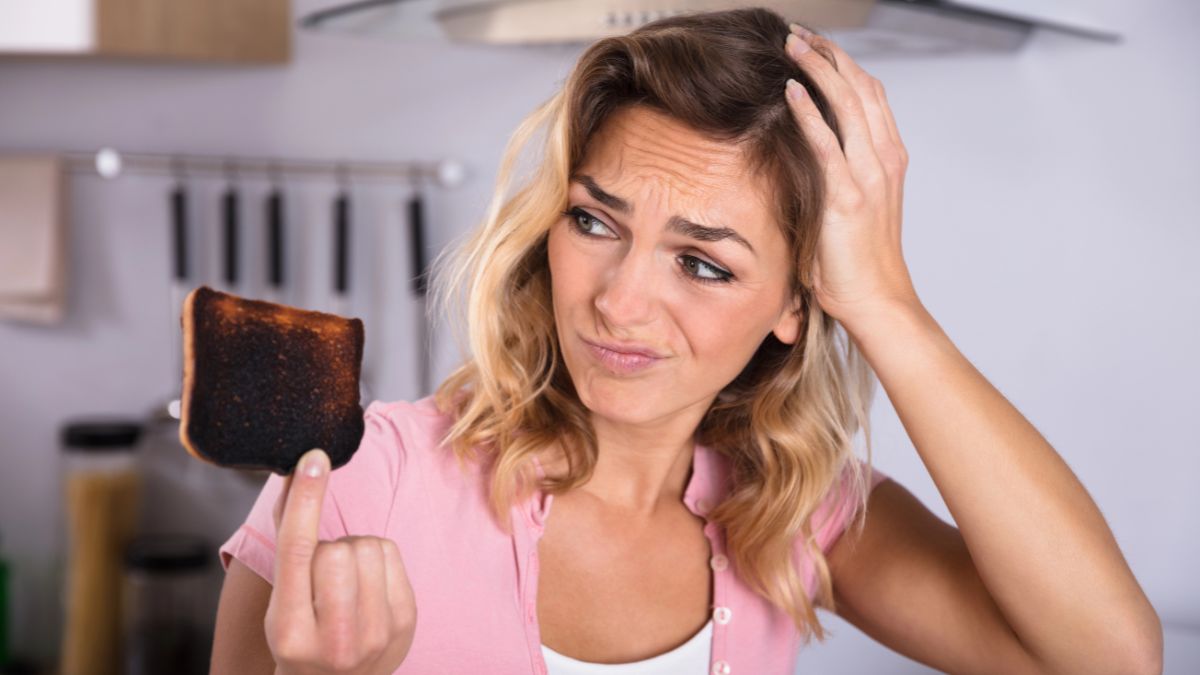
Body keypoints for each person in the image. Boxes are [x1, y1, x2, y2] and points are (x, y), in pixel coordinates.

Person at [210, 7, 1163, 675]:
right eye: (595, 222)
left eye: (703, 264)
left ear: (798, 303)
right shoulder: (352, 482)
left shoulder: (794, 516)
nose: (621, 305)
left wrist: (887, 306)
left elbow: (1109, 658)